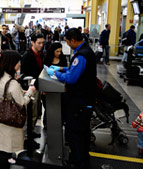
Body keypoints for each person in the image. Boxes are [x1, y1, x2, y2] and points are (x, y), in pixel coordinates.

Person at [48, 28, 96, 169]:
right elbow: (75, 71)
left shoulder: (81, 55)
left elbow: (72, 78)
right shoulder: (86, 50)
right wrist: (61, 69)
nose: (68, 45)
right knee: (81, 132)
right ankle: (80, 158)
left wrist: (56, 74)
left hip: (80, 101)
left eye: (68, 43)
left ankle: (78, 162)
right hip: (85, 99)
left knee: (76, 132)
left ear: (73, 40)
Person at [0, 50, 35, 169]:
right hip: (11, 121)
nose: (20, 64)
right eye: (18, 62)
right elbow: (22, 103)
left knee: (2, 150)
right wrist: (30, 92)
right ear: (12, 63)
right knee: (7, 151)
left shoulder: (0, 77)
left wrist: (22, 92)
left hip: (2, 118)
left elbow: (8, 94)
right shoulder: (12, 83)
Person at [21, 33, 45, 140]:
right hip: (31, 87)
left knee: (36, 112)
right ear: (32, 42)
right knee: (30, 113)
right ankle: (26, 136)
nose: (41, 45)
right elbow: (24, 74)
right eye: (39, 43)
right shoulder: (27, 56)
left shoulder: (40, 54)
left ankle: (31, 131)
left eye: (42, 43)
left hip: (38, 86)